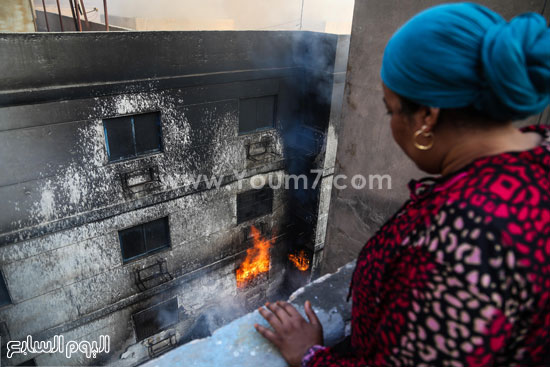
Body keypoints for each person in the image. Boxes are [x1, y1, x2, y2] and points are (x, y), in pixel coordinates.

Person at [254, 3, 550, 367]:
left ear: (427, 116)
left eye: (390, 109)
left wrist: (311, 356)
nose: (392, 123)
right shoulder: (537, 155)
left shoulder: (463, 243)